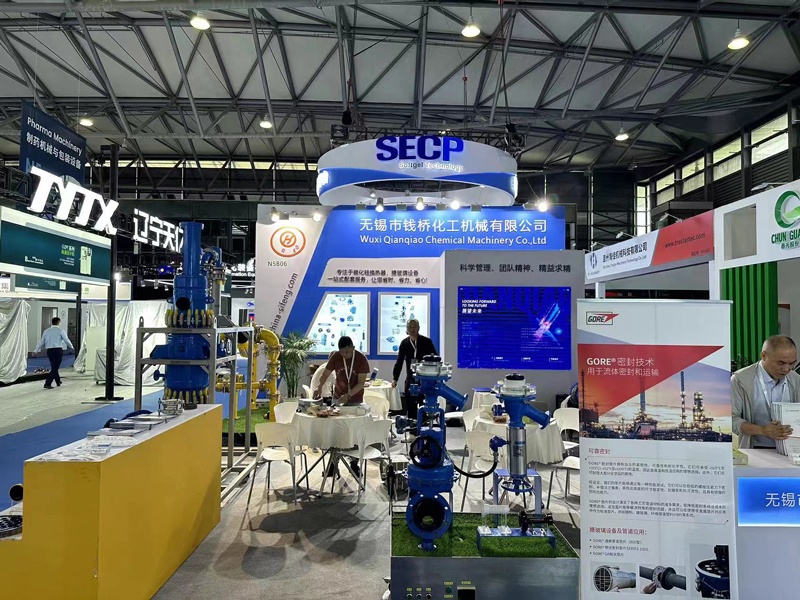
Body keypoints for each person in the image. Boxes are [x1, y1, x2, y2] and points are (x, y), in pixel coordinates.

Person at [732, 335, 800, 449]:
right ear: (764, 356)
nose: (786, 369)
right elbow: (730, 419)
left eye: (792, 363)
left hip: (789, 451)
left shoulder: (796, 379)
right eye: (781, 363)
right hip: (753, 450)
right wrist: (762, 430)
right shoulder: (740, 380)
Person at [392, 319, 437, 419]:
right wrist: (395, 379)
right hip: (411, 378)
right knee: (410, 406)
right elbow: (399, 362)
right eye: (410, 327)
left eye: (414, 327)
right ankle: (412, 425)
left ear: (418, 328)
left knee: (424, 406)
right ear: (407, 329)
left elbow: (436, 359)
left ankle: (424, 425)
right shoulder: (404, 343)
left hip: (425, 379)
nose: (412, 329)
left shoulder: (426, 342)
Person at [313, 336, 370, 405]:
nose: (344, 354)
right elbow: (325, 375)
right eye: (341, 352)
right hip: (338, 397)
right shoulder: (336, 356)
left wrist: (347, 395)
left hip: (355, 398)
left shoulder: (361, 359)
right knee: (334, 411)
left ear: (353, 348)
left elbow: (361, 383)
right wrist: (319, 387)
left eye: (347, 352)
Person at [34, 317, 74, 389]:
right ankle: (48, 383)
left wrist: (36, 350)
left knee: (54, 366)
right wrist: (71, 347)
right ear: (58, 322)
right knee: (55, 367)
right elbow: (66, 340)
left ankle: (58, 381)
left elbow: (42, 341)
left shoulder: (46, 331)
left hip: (49, 351)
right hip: (58, 350)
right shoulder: (60, 331)